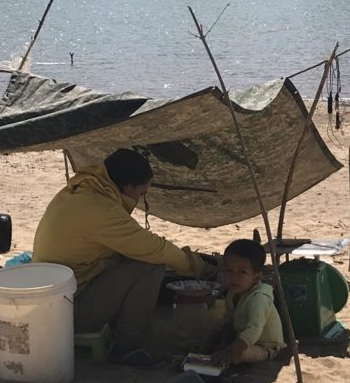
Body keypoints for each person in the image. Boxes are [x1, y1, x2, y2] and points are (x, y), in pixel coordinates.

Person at [32, 147, 206, 362]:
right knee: (151, 266)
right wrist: (201, 268)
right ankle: (127, 345)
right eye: (141, 193)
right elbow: (157, 249)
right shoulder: (100, 209)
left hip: (49, 301)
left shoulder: (81, 189)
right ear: (126, 186)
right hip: (65, 312)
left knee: (134, 258)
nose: (140, 199)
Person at [210, 239, 285, 366]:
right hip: (243, 338)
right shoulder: (233, 293)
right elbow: (229, 320)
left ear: (256, 277)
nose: (233, 278)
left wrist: (232, 350)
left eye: (242, 272)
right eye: (229, 271)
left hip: (264, 345)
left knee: (241, 354)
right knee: (214, 334)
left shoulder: (259, 298)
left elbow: (254, 329)